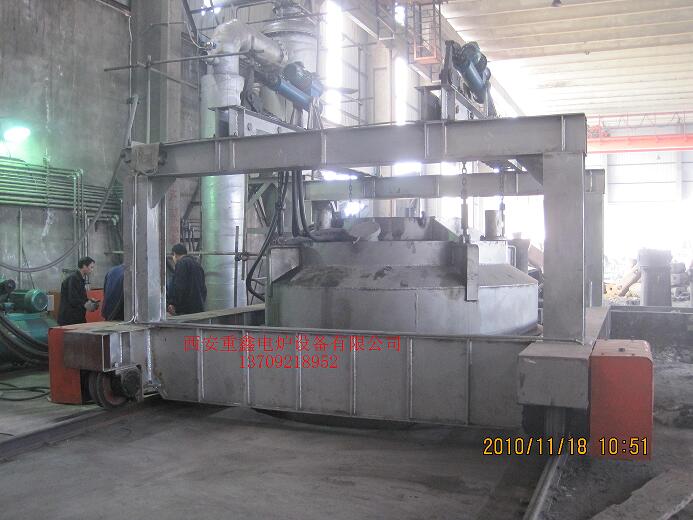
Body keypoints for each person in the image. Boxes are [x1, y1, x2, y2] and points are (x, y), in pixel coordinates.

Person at [58, 256, 99, 326]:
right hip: (70, 319)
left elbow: (79, 297)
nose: (92, 270)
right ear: (84, 266)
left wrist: (90, 301)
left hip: (77, 317)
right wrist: (86, 304)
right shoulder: (73, 278)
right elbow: (73, 299)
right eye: (91, 267)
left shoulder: (80, 279)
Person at [167, 244, 206, 315]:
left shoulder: (181, 263)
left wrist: (174, 304)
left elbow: (179, 287)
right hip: (198, 307)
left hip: (186, 310)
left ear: (175, 254)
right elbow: (203, 288)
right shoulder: (197, 264)